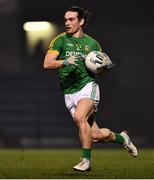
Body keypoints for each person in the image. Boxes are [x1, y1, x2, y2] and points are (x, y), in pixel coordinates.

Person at [43, 6, 138, 172]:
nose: (67, 22)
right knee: (95, 135)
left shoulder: (92, 43)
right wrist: (65, 61)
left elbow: (104, 71)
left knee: (81, 117)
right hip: (69, 92)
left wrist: (105, 65)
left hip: (87, 86)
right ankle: (122, 138)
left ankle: (86, 161)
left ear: (81, 21)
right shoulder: (60, 40)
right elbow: (47, 63)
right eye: (65, 19)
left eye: (71, 19)